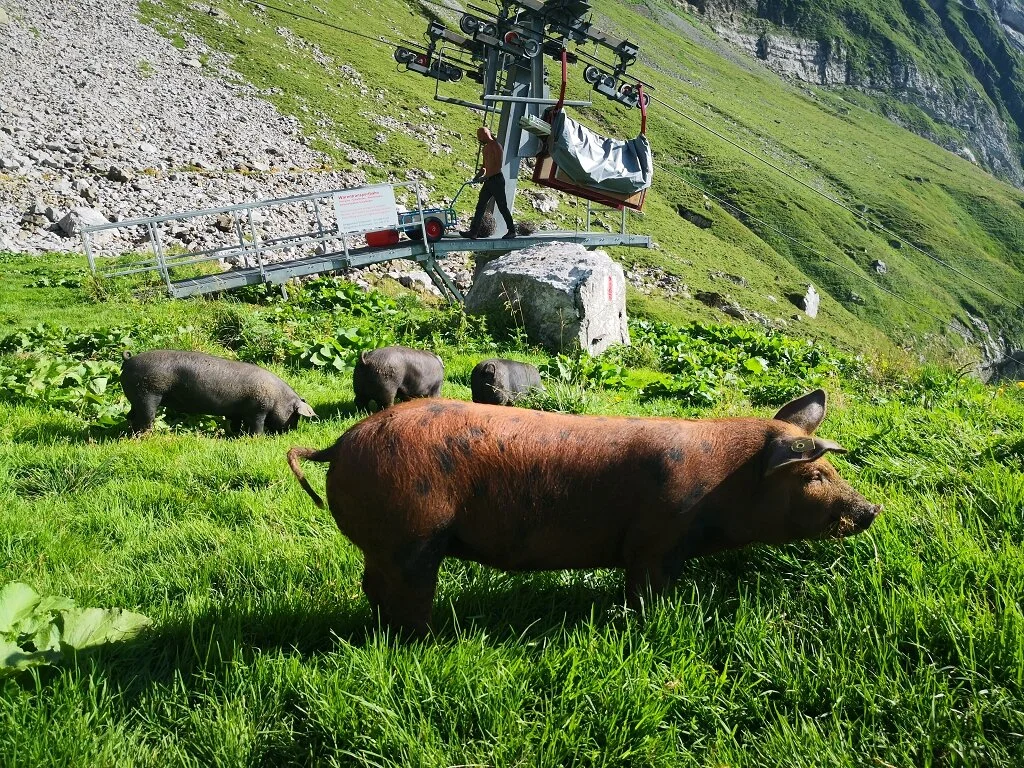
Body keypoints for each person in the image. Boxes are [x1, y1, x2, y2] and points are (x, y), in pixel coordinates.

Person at [460, 126, 517, 239]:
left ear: (485, 134)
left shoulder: (496, 146)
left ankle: (512, 231)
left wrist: (485, 177)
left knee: (502, 206)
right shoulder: (485, 149)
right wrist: (477, 177)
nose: (478, 138)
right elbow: (484, 167)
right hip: (488, 181)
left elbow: (498, 166)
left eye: (479, 136)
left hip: (496, 180)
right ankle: (474, 232)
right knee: (480, 206)